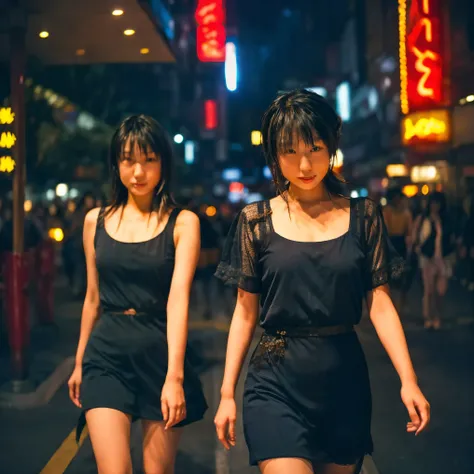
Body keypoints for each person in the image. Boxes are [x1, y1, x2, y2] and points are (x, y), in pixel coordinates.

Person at [214, 90, 430, 474]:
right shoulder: (255, 221)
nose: (303, 164)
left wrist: (408, 380)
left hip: (342, 379)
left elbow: (379, 304)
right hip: (274, 380)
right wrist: (227, 393)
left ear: (331, 146)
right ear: (274, 156)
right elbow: (245, 312)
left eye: (314, 149)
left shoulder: (363, 217)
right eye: (289, 152)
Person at [68, 115, 208, 474]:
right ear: (116, 164)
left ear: (163, 162)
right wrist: (81, 360)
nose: (139, 171)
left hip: (158, 353)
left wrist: (175, 376)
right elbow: (93, 299)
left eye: (149, 159)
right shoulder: (94, 221)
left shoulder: (183, 222)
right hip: (106, 355)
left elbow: (179, 300)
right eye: (129, 160)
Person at [412, 191, 454, 330]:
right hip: (427, 258)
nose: (435, 206)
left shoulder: (446, 219)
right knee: (428, 289)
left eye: (438, 203)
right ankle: (428, 317)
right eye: (433, 203)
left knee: (440, 291)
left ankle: (437, 315)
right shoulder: (424, 218)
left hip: (443, 258)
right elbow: (415, 236)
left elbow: (450, 238)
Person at [382, 187, 413, 313]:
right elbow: (385, 229)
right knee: (392, 277)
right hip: (392, 243)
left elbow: (409, 231)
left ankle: (398, 305)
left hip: (400, 244)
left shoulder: (406, 213)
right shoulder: (387, 211)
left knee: (400, 277)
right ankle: (393, 305)